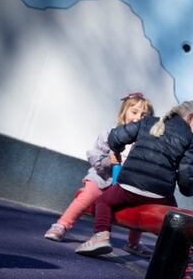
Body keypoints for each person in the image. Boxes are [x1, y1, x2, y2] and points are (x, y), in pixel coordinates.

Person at [75, 100, 193, 257]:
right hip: (160, 194)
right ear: (190, 117)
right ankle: (178, 250)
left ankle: (101, 236)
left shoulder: (147, 122)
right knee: (174, 219)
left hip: (128, 187)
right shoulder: (191, 140)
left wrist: (118, 150)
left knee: (102, 201)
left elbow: (116, 137)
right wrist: (189, 191)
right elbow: (186, 174)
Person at [44, 93, 154, 256]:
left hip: (125, 185)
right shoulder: (111, 133)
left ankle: (133, 242)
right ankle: (62, 225)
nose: (138, 118)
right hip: (102, 177)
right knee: (88, 194)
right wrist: (107, 161)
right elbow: (94, 154)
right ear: (123, 113)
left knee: (138, 207)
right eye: (134, 112)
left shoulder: (145, 143)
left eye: (144, 116)